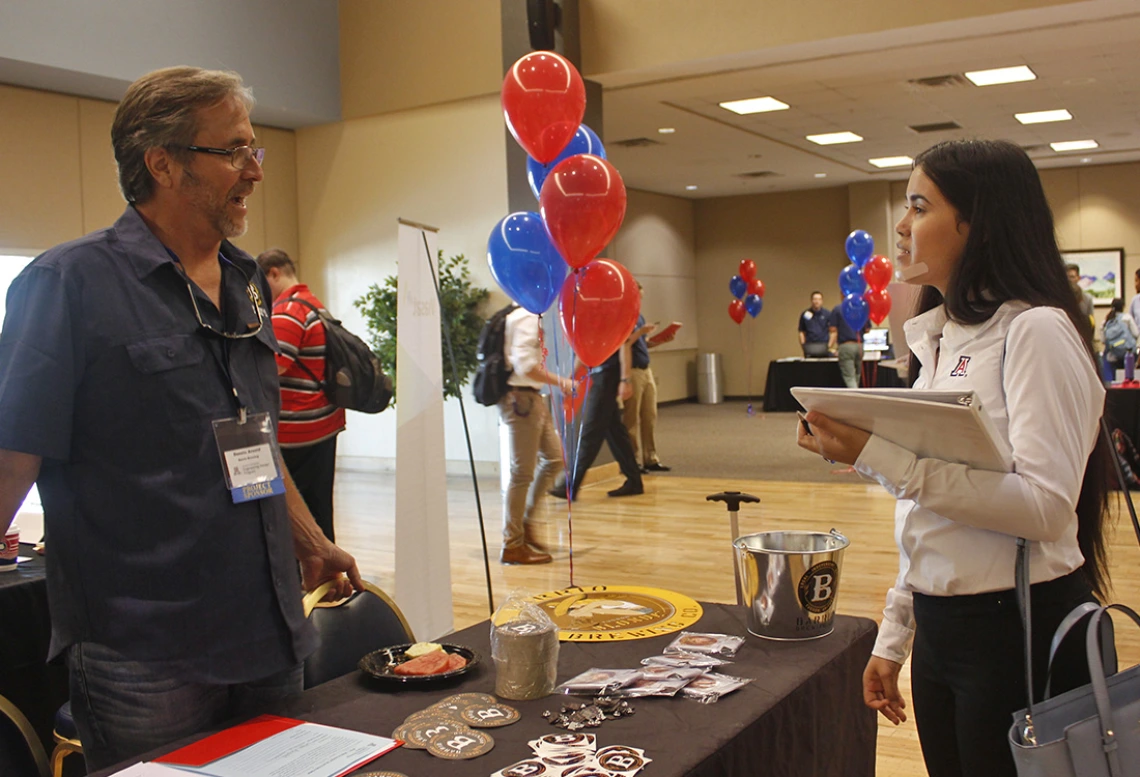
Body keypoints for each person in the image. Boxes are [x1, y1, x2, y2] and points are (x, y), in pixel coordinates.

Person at [0, 67, 362, 771]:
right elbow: (13, 458)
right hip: (149, 651)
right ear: (161, 162)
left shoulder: (244, 280)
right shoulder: (66, 284)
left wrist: (311, 539)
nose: (254, 171)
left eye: (254, 150)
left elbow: (250, 433)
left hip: (268, 629)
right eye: (234, 151)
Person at [797, 139, 1110, 777]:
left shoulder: (1035, 330)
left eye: (919, 206)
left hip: (1018, 629)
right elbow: (934, 520)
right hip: (945, 630)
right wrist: (896, 636)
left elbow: (1047, 510)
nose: (902, 226)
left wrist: (876, 454)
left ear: (980, 223)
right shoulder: (939, 339)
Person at [256, 248, 346, 543]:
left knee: (296, 516)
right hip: (322, 423)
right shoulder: (314, 304)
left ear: (273, 273)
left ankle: (305, 581)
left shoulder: (288, 310)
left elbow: (272, 367)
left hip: (297, 430)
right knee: (319, 510)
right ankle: (328, 581)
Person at [498, 308, 572, 564]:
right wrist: (561, 381)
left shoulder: (527, 316)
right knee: (521, 474)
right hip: (520, 399)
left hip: (530, 398)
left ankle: (525, 524)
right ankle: (512, 544)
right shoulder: (526, 317)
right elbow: (526, 365)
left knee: (553, 459)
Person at [550, 333, 644, 500]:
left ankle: (570, 485)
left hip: (608, 375)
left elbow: (624, 345)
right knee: (615, 433)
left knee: (590, 432)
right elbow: (584, 352)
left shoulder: (606, 317)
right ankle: (634, 480)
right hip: (600, 374)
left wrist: (625, 379)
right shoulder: (590, 322)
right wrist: (571, 377)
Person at [623, 311, 677, 474]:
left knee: (650, 415)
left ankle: (650, 458)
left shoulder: (640, 318)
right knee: (631, 417)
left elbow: (643, 343)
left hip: (646, 370)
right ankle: (633, 460)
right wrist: (640, 332)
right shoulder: (624, 317)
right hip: (632, 370)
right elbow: (624, 344)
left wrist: (660, 341)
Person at [827, 305, 865, 388]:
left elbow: (833, 329)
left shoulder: (838, 309)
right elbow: (867, 329)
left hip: (846, 345)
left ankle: (855, 399)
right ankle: (857, 396)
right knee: (857, 376)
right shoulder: (861, 308)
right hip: (860, 346)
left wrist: (828, 347)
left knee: (850, 377)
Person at [1099, 296, 1138, 376]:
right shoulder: (1127, 318)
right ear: (1123, 307)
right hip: (1128, 354)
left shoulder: (1106, 321)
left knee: (1114, 379)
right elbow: (1136, 333)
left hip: (1112, 356)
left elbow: (1103, 340)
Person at [798, 291, 831, 357]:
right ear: (811, 300)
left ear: (822, 301)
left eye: (819, 299)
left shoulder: (827, 314)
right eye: (815, 299)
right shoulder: (805, 314)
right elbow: (801, 331)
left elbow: (833, 331)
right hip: (809, 345)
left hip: (823, 345)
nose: (817, 301)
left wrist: (829, 346)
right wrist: (803, 345)